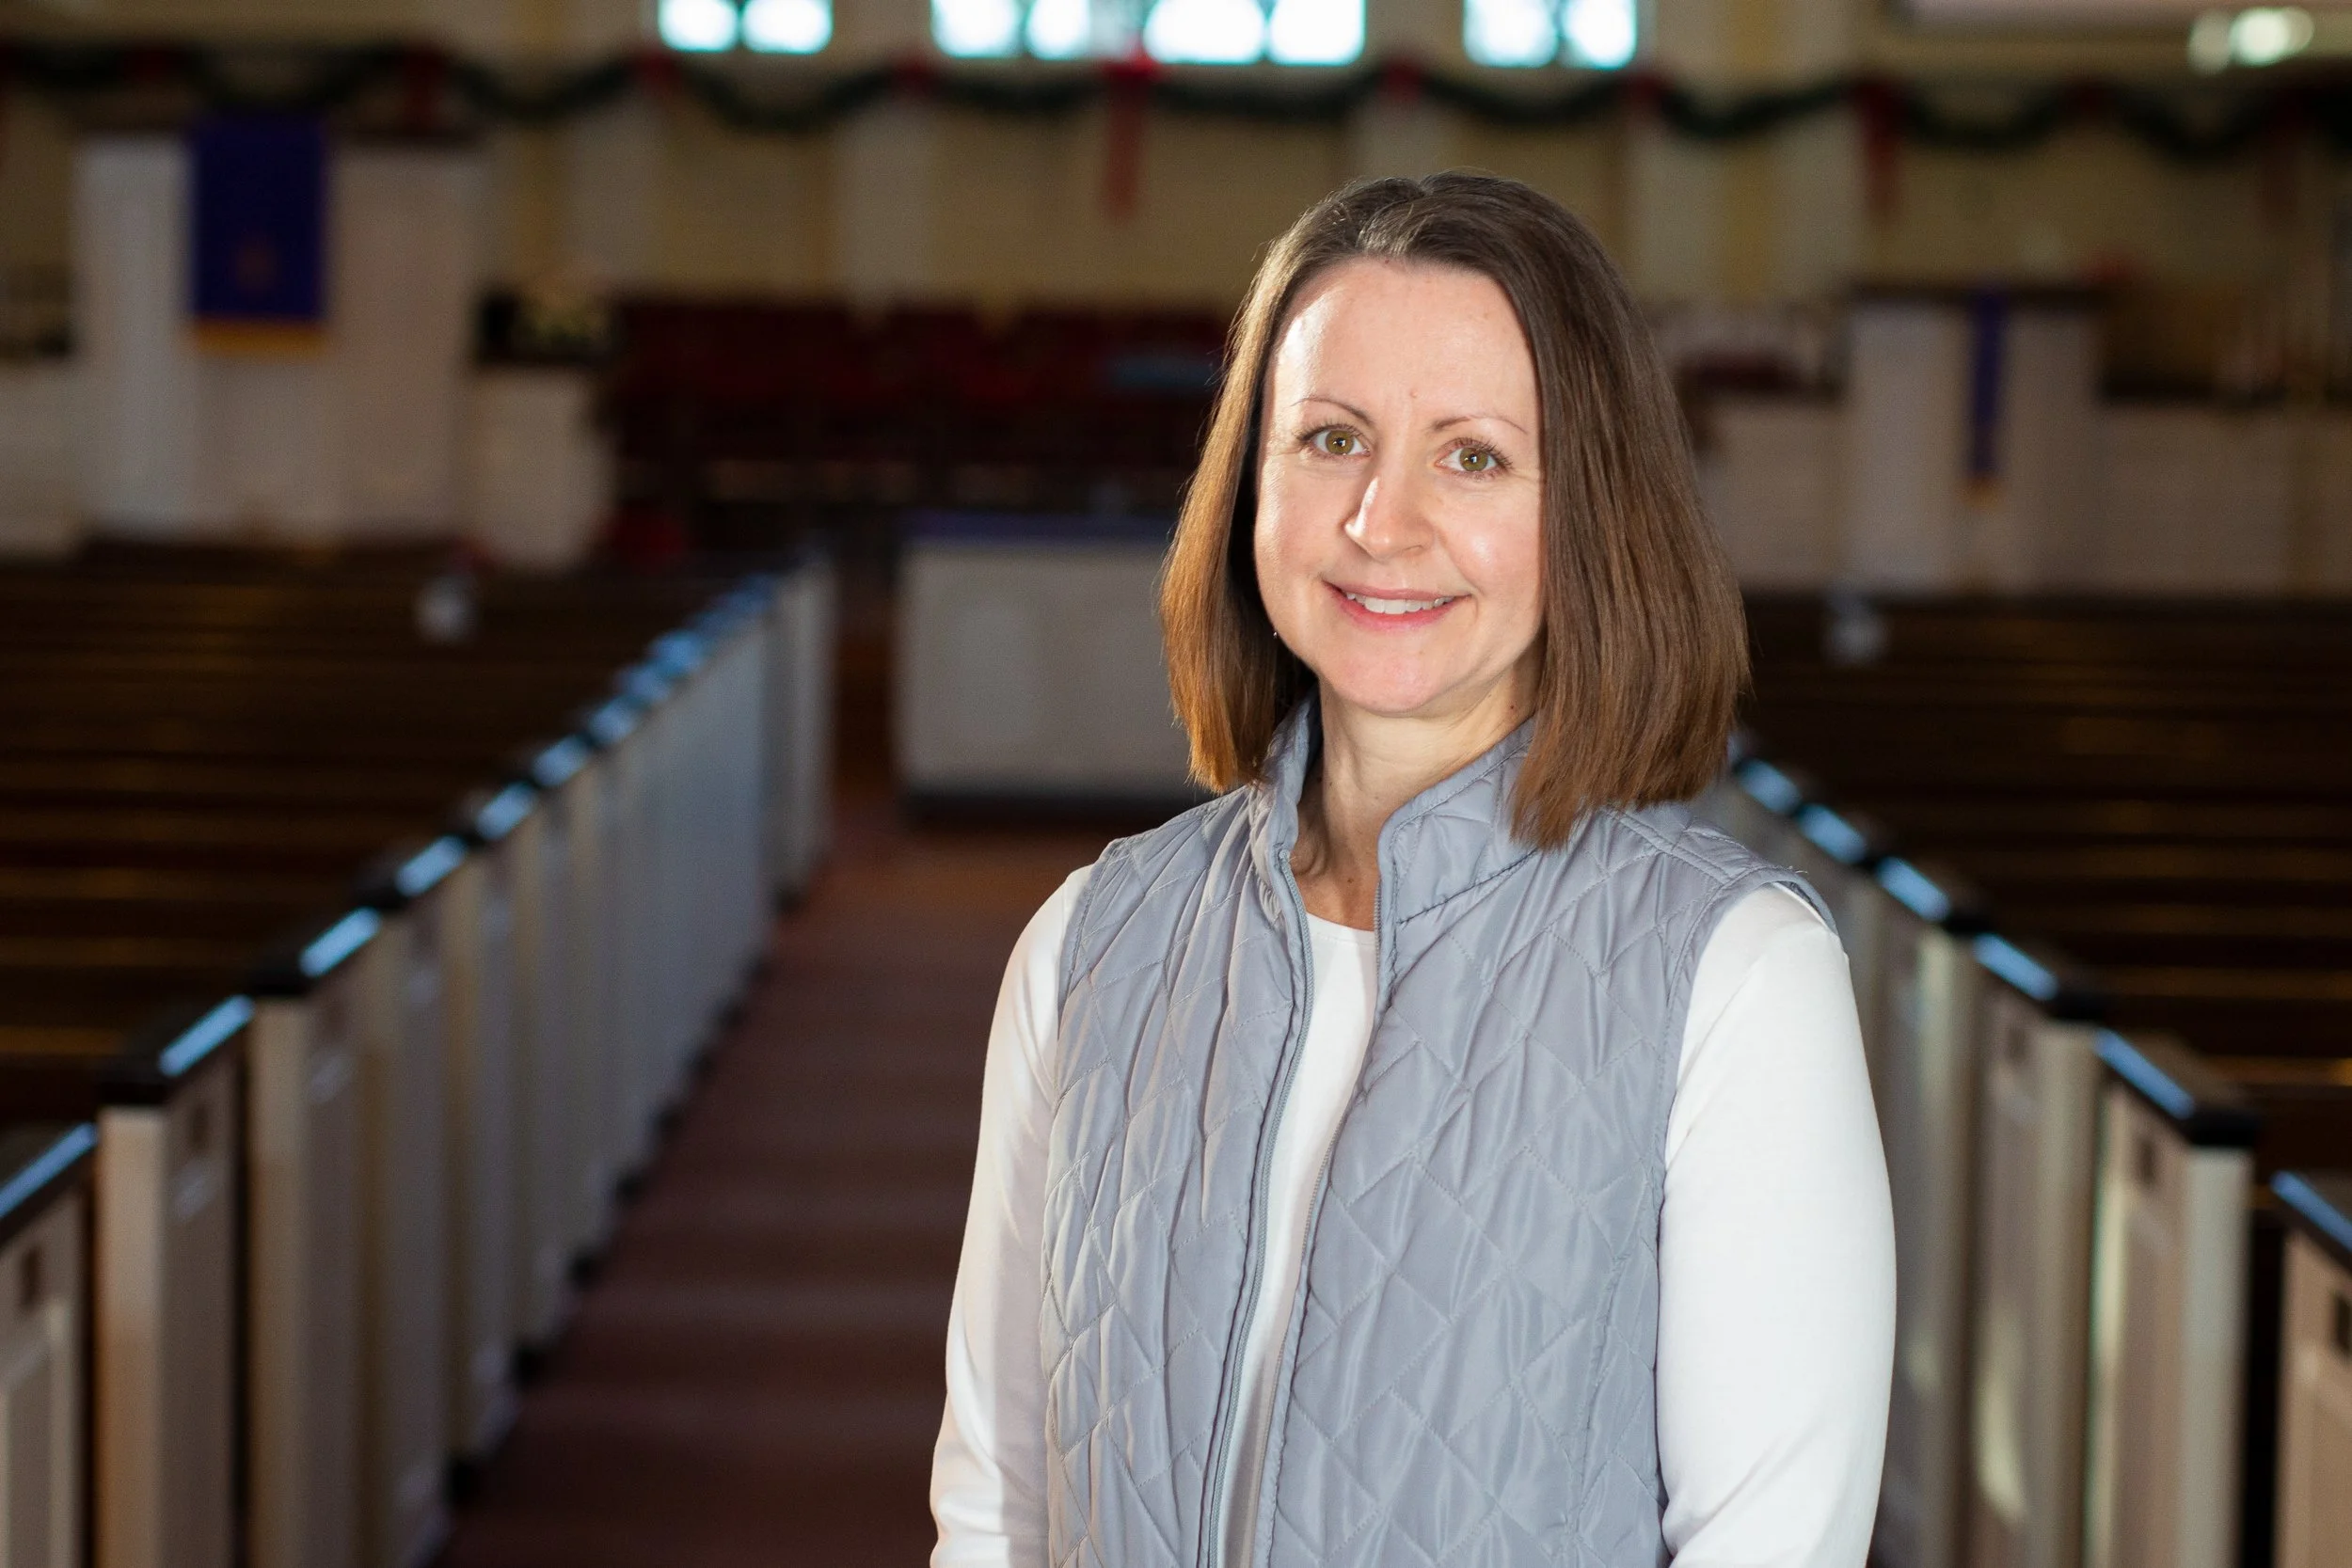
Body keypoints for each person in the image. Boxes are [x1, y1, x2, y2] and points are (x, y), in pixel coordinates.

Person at [930, 172, 1895, 1568]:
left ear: (1593, 512)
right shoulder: (1090, 942)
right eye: (1330, 437)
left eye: (1474, 456)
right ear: (1249, 482)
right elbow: (998, 1503)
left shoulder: (1736, 981)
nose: (1383, 521)